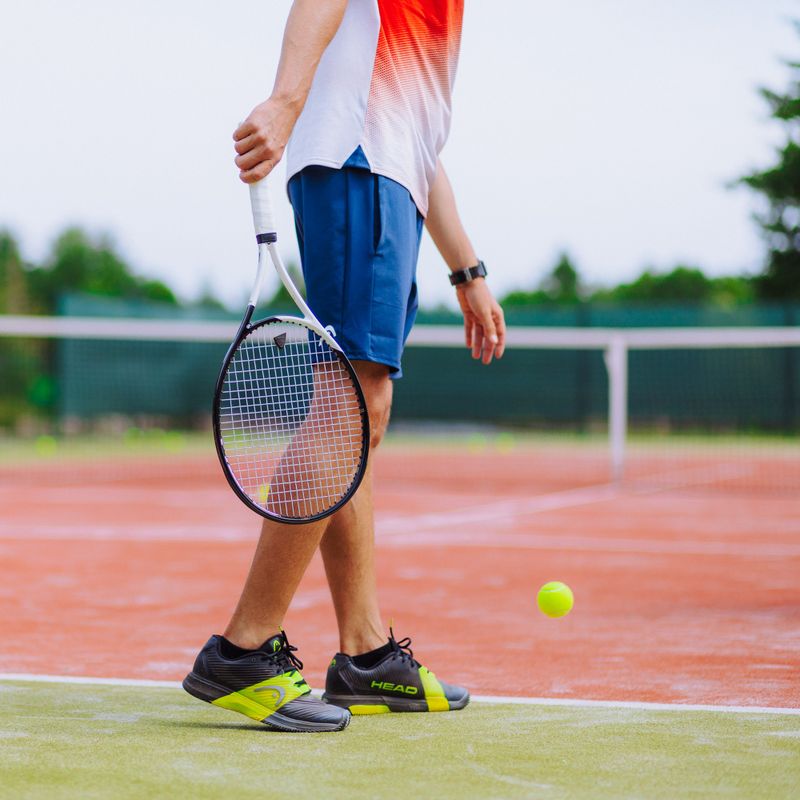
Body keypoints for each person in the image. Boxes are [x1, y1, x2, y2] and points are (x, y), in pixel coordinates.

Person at [183, 0, 506, 732]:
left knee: (353, 410)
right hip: (357, 167)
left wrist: (467, 269)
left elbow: (420, 138)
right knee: (356, 407)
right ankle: (242, 647)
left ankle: (364, 654)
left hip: (390, 179)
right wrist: (287, 99)